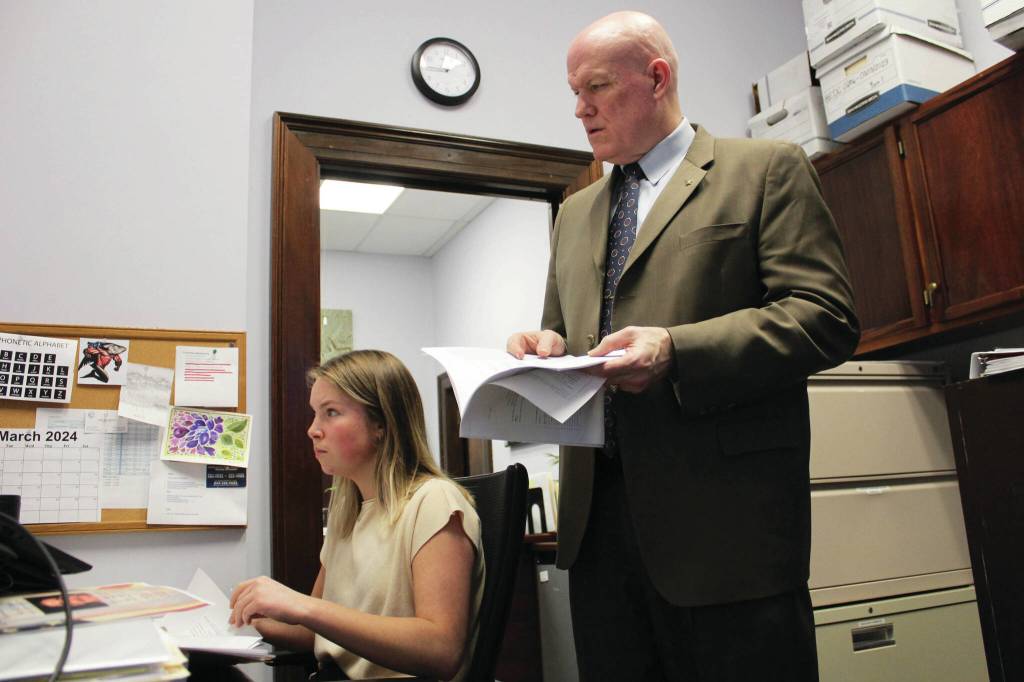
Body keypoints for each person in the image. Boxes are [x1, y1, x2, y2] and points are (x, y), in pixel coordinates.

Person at [507, 11, 859, 682]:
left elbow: (826, 316)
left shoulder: (765, 170)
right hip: (596, 530)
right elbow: (562, 328)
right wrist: (543, 345)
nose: (579, 109)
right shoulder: (576, 212)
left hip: (725, 530)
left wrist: (675, 349)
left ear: (657, 77)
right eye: (574, 92)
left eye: (597, 87)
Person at [229, 350, 484, 681]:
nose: (312, 430)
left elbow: (441, 650)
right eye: (314, 414)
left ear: (381, 424)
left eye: (331, 413)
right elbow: (317, 635)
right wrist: (254, 617)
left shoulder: (433, 500)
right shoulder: (346, 512)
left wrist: (302, 606)